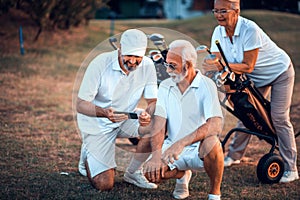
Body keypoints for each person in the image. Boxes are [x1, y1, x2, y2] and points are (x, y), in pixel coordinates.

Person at [203, 0, 298, 183]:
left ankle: (291, 168)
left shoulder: (250, 29)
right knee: (246, 112)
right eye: (215, 11)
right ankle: (234, 155)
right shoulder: (218, 31)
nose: (218, 15)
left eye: (223, 11)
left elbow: (248, 65)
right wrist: (210, 65)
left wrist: (222, 66)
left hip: (279, 72)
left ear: (236, 10)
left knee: (279, 118)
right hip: (255, 78)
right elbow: (217, 62)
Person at [76, 29, 159, 190]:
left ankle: (133, 173)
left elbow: (153, 101)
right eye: (129, 55)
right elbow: (81, 104)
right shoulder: (100, 63)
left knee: (157, 126)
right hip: (96, 121)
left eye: (138, 57)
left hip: (125, 118)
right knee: (105, 184)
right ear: (120, 48)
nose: (133, 61)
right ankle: (88, 149)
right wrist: (104, 112)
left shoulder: (148, 65)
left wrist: (148, 114)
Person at [144, 40, 224, 200]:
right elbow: (159, 124)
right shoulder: (166, 86)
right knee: (150, 173)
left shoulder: (207, 85)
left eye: (172, 66)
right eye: (167, 65)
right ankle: (181, 176)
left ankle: (215, 193)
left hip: (198, 149)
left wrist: (181, 144)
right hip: (172, 146)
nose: (167, 70)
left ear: (187, 66)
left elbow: (215, 124)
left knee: (212, 142)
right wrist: (155, 155)